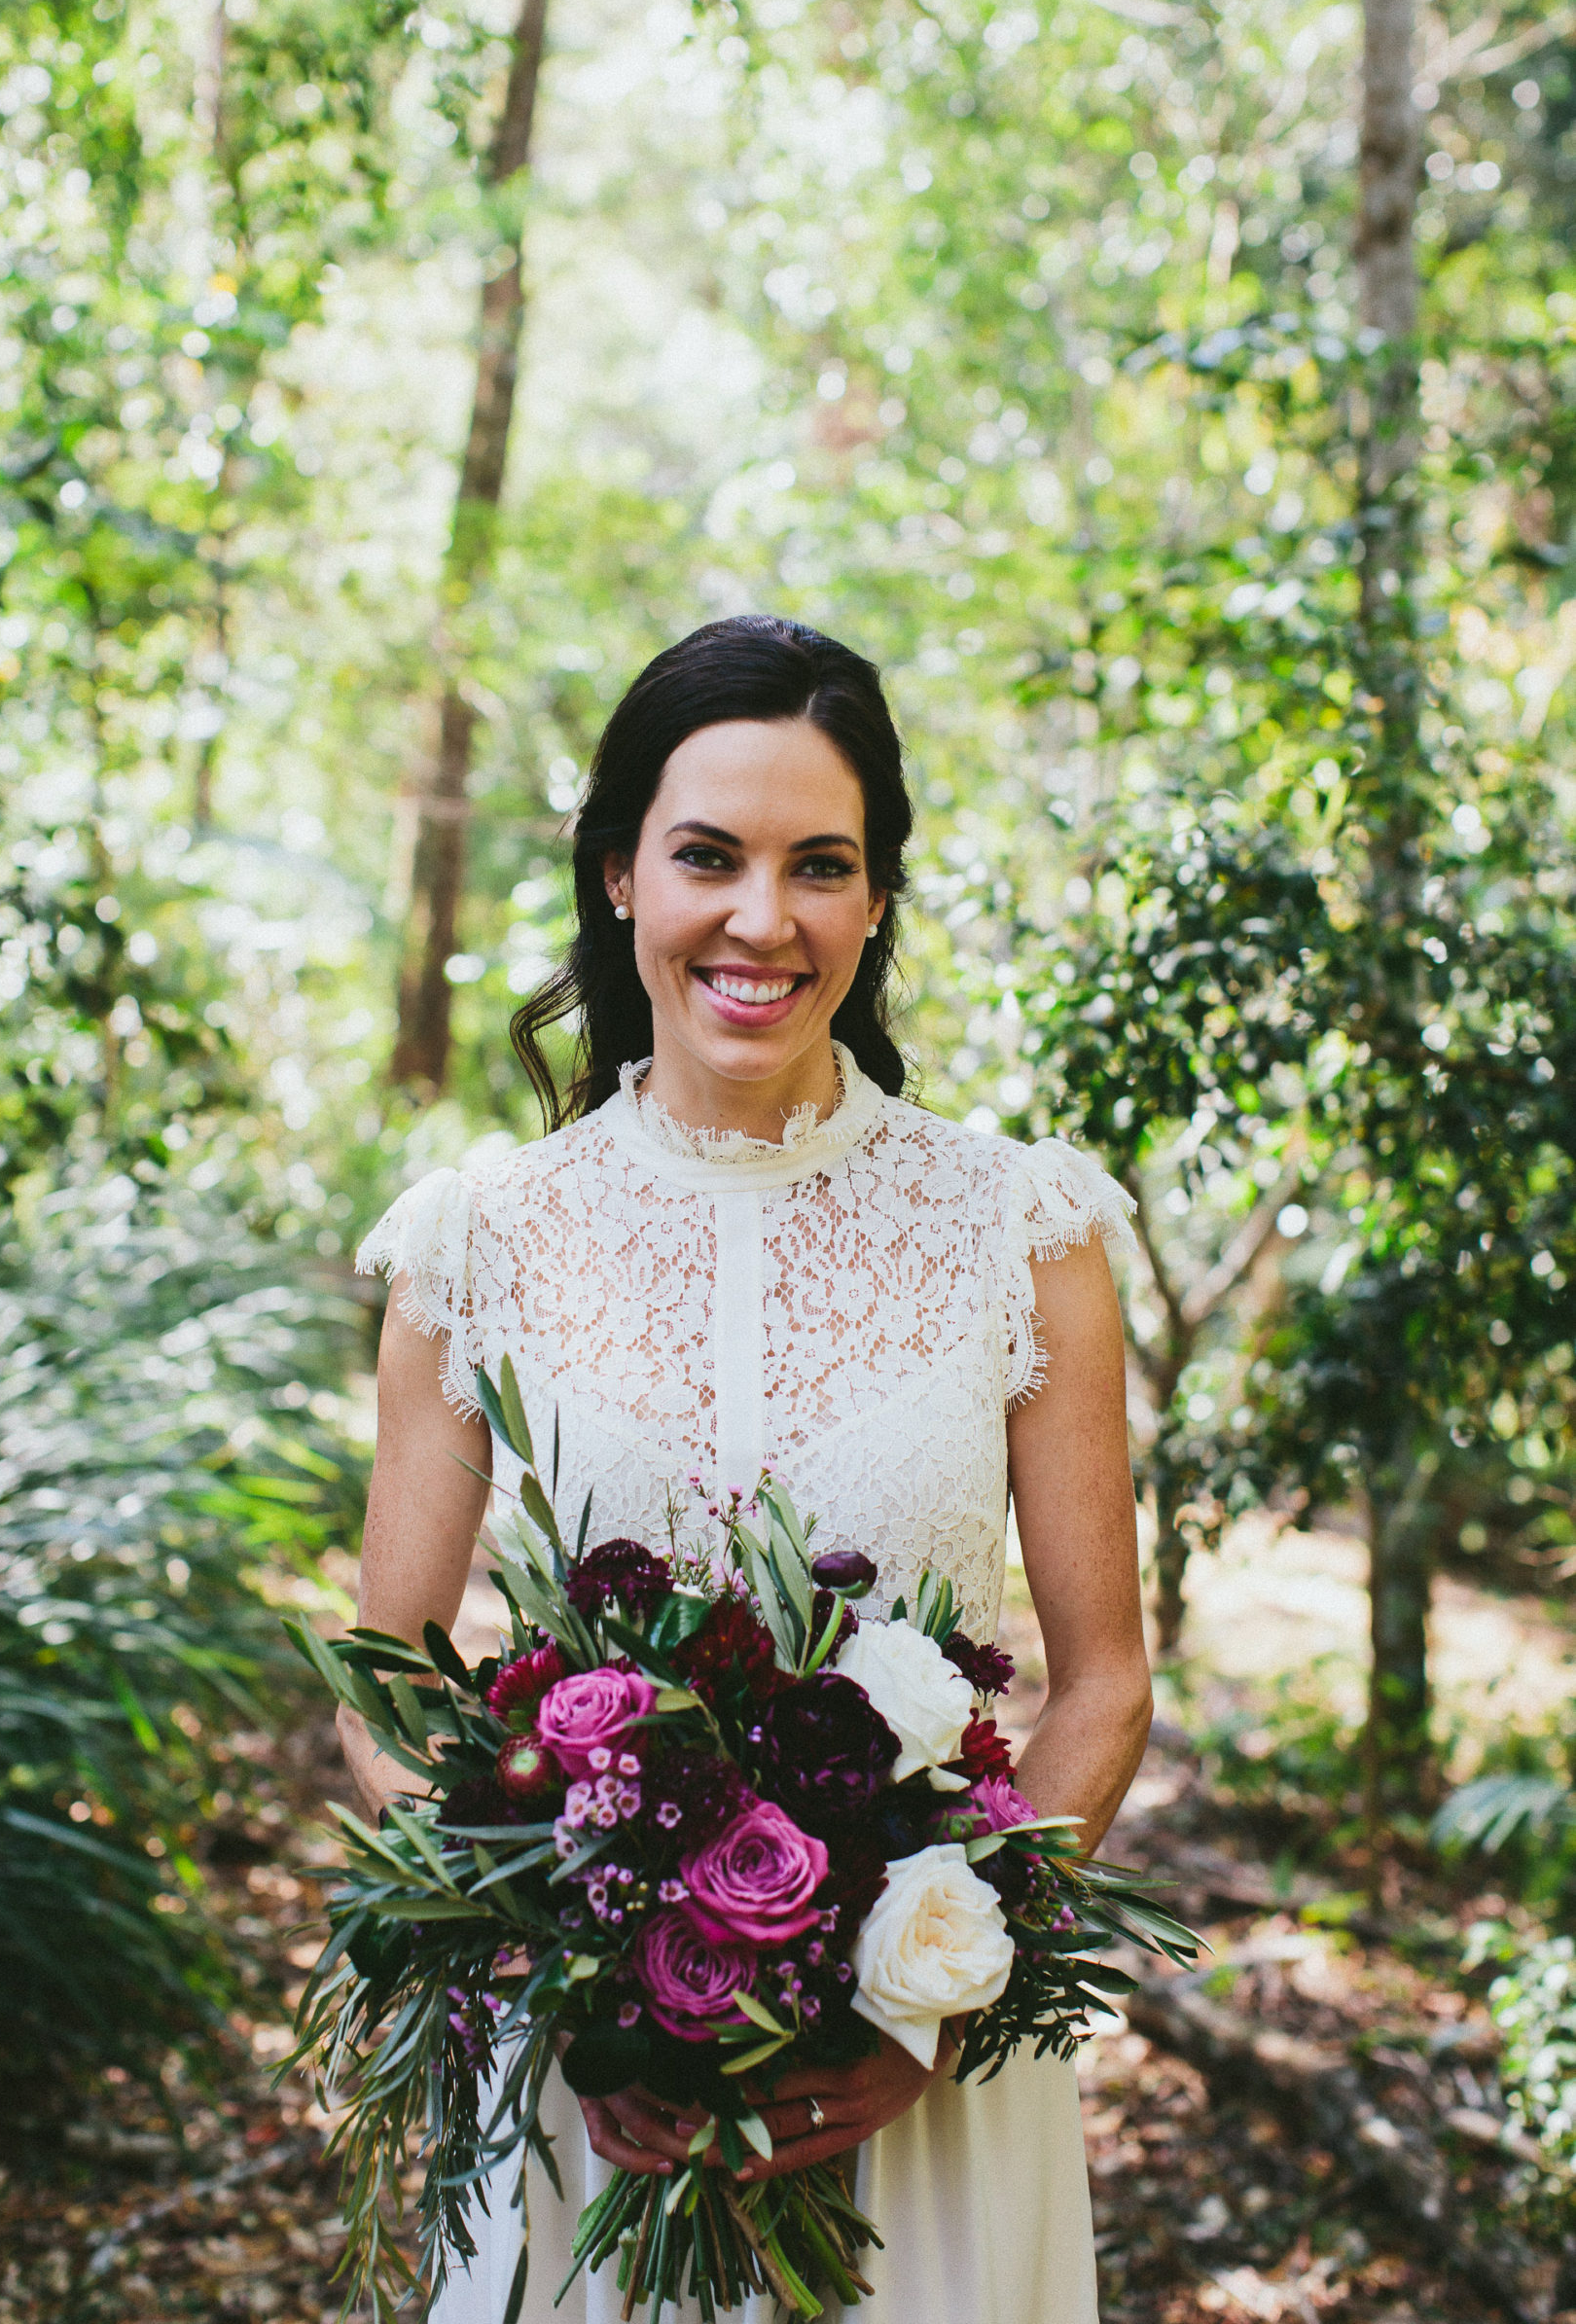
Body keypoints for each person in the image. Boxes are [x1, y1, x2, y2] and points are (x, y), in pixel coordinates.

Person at [345, 615, 1152, 2324]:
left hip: (921, 2098)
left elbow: (1106, 1680)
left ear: (877, 903)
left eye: (823, 867)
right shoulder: (477, 1242)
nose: (763, 920)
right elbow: (385, 1694)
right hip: (587, 2100)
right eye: (708, 855)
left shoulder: (1026, 1232)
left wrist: (933, 2005)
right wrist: (557, 1978)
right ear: (622, 874)